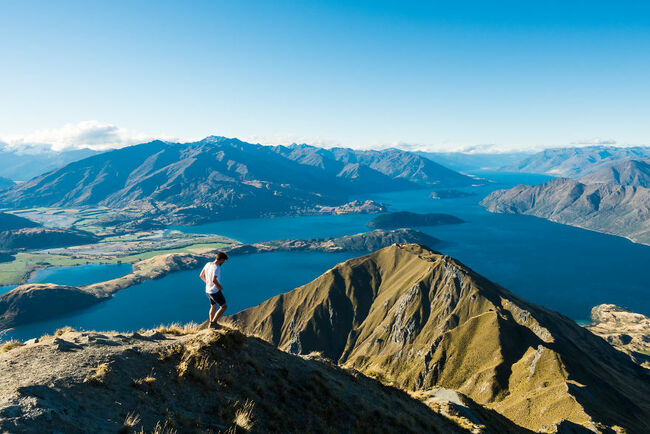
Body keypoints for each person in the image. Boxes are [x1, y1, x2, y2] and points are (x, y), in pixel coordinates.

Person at [199, 251, 229, 328]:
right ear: (221, 259)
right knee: (224, 306)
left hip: (208, 291)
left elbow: (201, 275)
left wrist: (207, 283)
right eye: (224, 261)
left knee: (213, 306)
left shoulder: (207, 264)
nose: (223, 262)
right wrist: (220, 287)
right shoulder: (217, 267)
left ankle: (211, 323)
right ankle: (214, 322)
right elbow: (214, 280)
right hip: (214, 291)